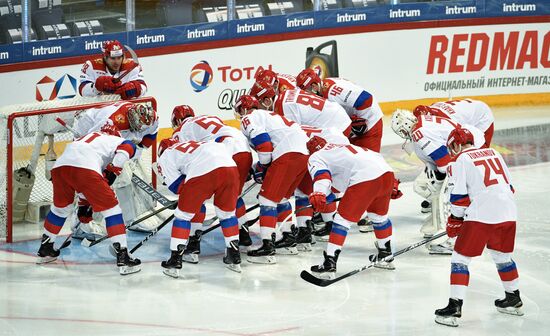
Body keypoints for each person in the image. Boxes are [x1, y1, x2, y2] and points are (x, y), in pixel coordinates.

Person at [435, 127, 523, 327]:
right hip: (508, 210)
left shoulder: (460, 161)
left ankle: (454, 306)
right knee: (502, 257)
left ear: (456, 144)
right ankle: (513, 298)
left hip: (482, 214)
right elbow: (510, 187)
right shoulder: (495, 152)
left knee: (460, 259)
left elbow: (458, 198)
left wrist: (455, 221)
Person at [36, 124, 141, 275]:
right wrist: (114, 169)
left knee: (60, 209)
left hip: (60, 168)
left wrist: (84, 205)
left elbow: (82, 181)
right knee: (112, 210)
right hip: (85, 168)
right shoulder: (114, 140)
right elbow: (129, 146)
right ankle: (123, 257)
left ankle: (45, 249)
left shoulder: (86, 139)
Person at [391, 110, 485, 251]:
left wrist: (439, 181)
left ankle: (450, 237)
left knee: (445, 196)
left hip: (467, 153)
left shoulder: (419, 134)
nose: (403, 135)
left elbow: (445, 164)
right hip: (468, 147)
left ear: (406, 125)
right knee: (423, 186)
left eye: (402, 131)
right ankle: (436, 226)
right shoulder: (422, 121)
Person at [170, 104, 253, 262]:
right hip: (244, 149)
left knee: (196, 196)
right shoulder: (210, 117)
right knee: (234, 196)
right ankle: (243, 235)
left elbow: (182, 155)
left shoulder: (181, 129)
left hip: (224, 152)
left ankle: (193, 245)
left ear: (178, 120)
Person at [306, 136, 396, 279]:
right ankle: (386, 255)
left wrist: (319, 193)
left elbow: (322, 176)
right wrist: (393, 185)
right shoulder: (340, 148)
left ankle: (329, 263)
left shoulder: (316, 156)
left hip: (365, 178)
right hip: (387, 173)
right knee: (379, 217)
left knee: (341, 221)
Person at [234, 94, 310, 263]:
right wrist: (261, 167)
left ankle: (267, 246)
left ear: (245, 109)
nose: (240, 114)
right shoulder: (269, 115)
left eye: (240, 110)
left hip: (287, 153)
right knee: (281, 197)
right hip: (304, 153)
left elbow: (264, 145)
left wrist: (262, 167)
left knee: (267, 199)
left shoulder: (249, 117)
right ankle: (288, 237)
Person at [71, 100, 160, 236]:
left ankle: (131, 219)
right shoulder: (111, 121)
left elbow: (149, 136)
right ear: (131, 117)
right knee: (96, 184)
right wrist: (110, 170)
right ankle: (80, 226)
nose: (140, 129)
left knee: (124, 180)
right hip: (87, 139)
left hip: (116, 140)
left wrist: (136, 151)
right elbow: (97, 146)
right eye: (138, 125)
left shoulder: (152, 119)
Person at [155, 139, 242, 277]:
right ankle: (234, 256)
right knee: (227, 214)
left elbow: (178, 187)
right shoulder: (196, 144)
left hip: (203, 171)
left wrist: (190, 198)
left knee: (182, 216)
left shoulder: (166, 155)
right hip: (230, 167)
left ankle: (175, 259)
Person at [296, 68, 383, 152]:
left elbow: (366, 99)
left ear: (314, 87)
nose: (305, 95)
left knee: (367, 163)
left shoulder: (332, 90)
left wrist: (359, 121)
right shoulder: (324, 87)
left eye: (306, 91)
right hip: (354, 129)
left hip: (370, 125)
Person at [249, 80, 352, 136]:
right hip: (339, 116)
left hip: (337, 127)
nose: (257, 108)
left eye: (257, 104)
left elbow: (297, 136)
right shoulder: (286, 93)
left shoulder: (282, 107)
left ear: (267, 101)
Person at [79, 40, 147, 99]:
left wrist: (136, 89)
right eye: (113, 58)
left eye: (119, 57)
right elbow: (82, 90)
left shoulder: (132, 66)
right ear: (105, 57)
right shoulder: (91, 66)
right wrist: (96, 87)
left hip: (124, 107)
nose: (116, 62)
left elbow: (144, 87)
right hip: (98, 108)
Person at [414, 99, 494, 148]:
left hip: (483, 115)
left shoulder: (449, 119)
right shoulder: (432, 108)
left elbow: (459, 138)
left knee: (481, 150)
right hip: (471, 107)